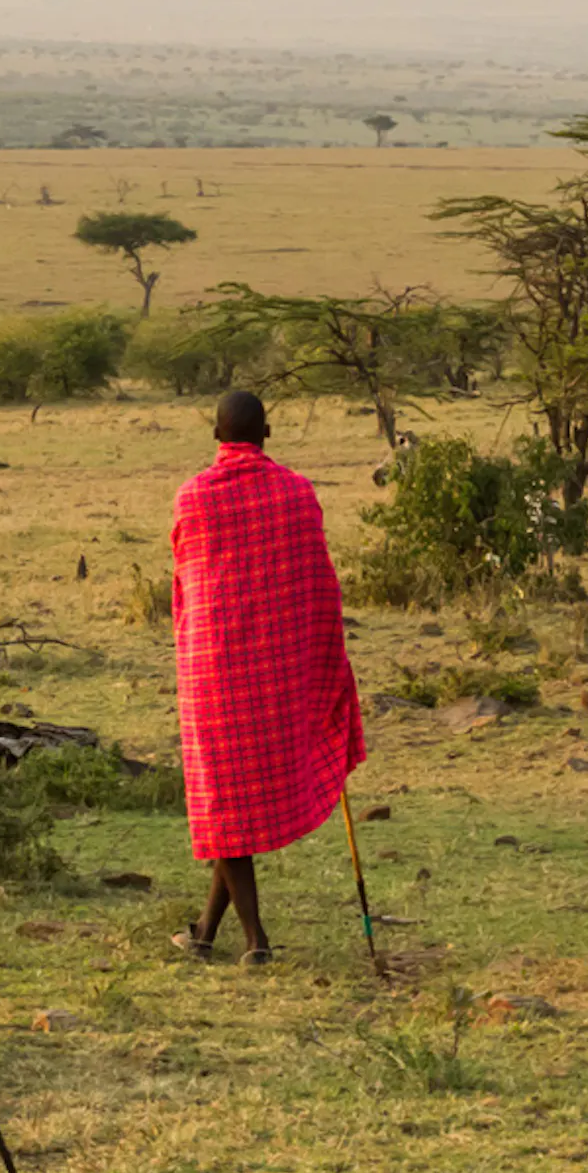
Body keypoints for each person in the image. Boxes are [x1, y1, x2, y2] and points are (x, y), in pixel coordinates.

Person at [168, 389, 367, 963]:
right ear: (267, 433)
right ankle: (205, 934)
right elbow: (322, 586)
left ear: (216, 436)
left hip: (214, 672)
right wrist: (327, 660)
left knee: (224, 806)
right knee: (229, 810)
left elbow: (185, 584)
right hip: (280, 673)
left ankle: (256, 942)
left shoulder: (194, 497)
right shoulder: (296, 493)